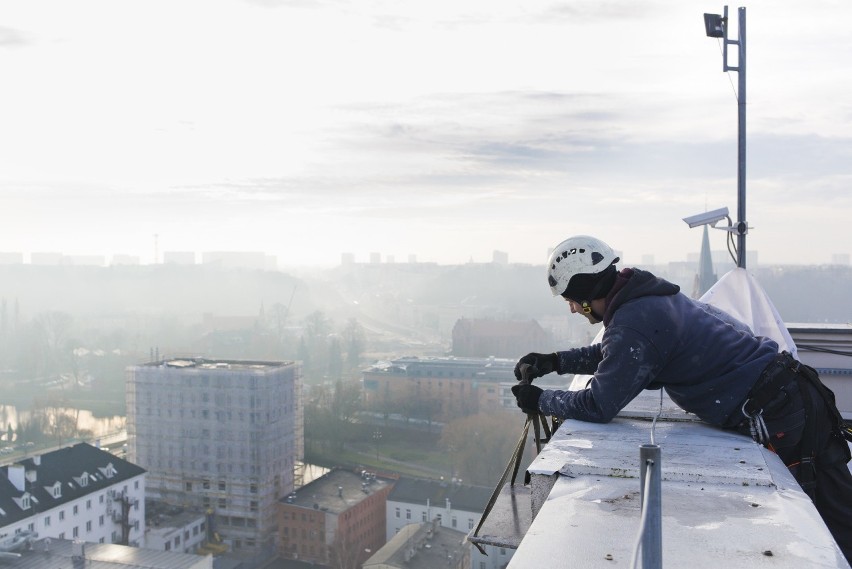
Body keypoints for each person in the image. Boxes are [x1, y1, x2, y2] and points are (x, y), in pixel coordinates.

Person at [512, 234, 852, 562]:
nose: (572, 309)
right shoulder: (643, 297)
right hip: (788, 395)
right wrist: (554, 361)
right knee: (838, 511)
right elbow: (615, 352)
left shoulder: (636, 321)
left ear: (585, 294)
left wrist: (539, 399)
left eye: (570, 300)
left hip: (779, 411)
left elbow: (598, 404)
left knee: (833, 523)